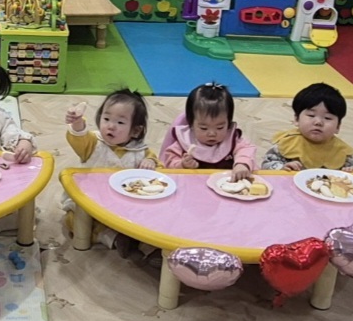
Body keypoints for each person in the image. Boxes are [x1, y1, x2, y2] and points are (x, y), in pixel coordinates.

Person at [64, 90, 157, 250]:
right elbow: (79, 138)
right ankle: (108, 237)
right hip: (92, 201)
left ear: (135, 131)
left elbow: (158, 171)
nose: (111, 126)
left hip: (124, 205)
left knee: (148, 218)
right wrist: (77, 123)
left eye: (120, 122)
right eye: (106, 119)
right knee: (74, 220)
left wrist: (150, 161)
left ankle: (141, 241)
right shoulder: (93, 143)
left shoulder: (140, 151)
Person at [159, 82, 255, 180]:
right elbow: (168, 163)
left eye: (220, 127)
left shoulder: (231, 139)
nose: (212, 133)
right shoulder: (185, 140)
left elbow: (246, 149)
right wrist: (182, 164)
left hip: (226, 184)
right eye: (203, 128)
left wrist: (242, 164)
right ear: (191, 124)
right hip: (193, 185)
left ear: (228, 123)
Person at [261, 82, 353, 172]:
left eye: (327, 118)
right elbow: (266, 165)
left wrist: (351, 171)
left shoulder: (341, 151)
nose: (318, 122)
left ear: (338, 126)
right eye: (311, 115)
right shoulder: (288, 143)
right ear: (297, 119)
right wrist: (282, 167)